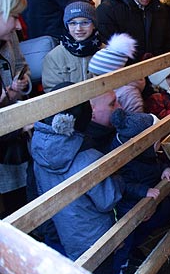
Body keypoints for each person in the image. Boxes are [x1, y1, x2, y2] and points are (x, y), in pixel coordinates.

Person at [30, 82, 123, 261]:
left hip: (69, 239)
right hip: (99, 239)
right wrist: (118, 179)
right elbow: (107, 200)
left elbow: (42, 195)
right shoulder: (89, 158)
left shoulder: (38, 155)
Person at [108, 108, 170, 274]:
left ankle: (135, 249)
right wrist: (143, 191)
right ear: (144, 143)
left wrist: (166, 168)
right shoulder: (122, 157)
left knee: (163, 210)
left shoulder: (145, 154)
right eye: (157, 140)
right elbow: (122, 183)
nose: (160, 143)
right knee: (125, 238)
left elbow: (157, 161)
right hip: (127, 206)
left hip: (146, 197)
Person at [0, 0, 32, 217]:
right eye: (13, 16)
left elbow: (22, 65)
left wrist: (22, 83)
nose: (17, 24)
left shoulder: (10, 38)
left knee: (18, 199)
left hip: (13, 141)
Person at [42, 0, 102, 92]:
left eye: (85, 23)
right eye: (73, 23)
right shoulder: (54, 57)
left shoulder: (105, 52)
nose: (79, 28)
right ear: (67, 26)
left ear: (94, 24)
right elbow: (52, 91)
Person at [88, 33, 145, 113]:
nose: (94, 79)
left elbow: (135, 119)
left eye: (98, 76)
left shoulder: (128, 94)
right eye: (93, 75)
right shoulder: (100, 89)